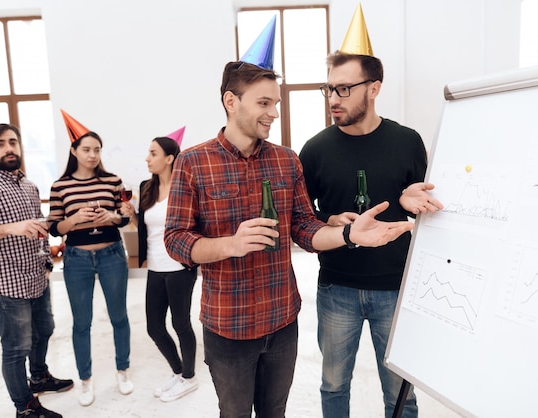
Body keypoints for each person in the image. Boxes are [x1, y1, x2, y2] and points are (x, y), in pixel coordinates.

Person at [163, 59, 415, 417]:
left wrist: (347, 234)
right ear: (231, 102)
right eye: (264, 103)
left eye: (276, 103)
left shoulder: (286, 161)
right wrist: (230, 244)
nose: (274, 113)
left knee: (275, 412)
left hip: (282, 321)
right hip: (228, 325)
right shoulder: (193, 162)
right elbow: (175, 241)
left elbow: (304, 228)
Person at [298, 10, 443, 417]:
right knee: (332, 387)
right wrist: (328, 221)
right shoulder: (315, 149)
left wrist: (414, 205)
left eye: (343, 89)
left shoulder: (407, 141)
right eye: (328, 89)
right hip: (336, 288)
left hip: (396, 288)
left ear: (374, 87)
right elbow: (302, 216)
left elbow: (426, 210)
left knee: (400, 394)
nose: (333, 99)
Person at [0, 117, 73, 418]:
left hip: (37, 277)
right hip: (5, 285)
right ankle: (24, 407)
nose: (8, 148)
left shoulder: (30, 186)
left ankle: (39, 376)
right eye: (0, 144)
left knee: (44, 331)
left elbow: (35, 231)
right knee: (16, 347)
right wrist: (9, 228)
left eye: (13, 142)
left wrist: (49, 258)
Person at [48, 112, 132, 407]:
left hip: (111, 254)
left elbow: (126, 216)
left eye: (97, 149)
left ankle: (123, 369)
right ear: (74, 151)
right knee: (81, 322)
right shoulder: (60, 186)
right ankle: (86, 379)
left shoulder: (113, 181)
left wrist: (113, 216)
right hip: (77, 258)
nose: (93, 154)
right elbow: (54, 227)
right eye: (86, 149)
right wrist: (74, 220)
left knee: (119, 316)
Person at [120, 135, 199, 402]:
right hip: (154, 266)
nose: (147, 158)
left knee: (181, 323)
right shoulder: (146, 187)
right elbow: (145, 226)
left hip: (180, 266)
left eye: (153, 153)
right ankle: (179, 372)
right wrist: (133, 216)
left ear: (169, 158)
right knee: (154, 327)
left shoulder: (185, 186)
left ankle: (189, 376)